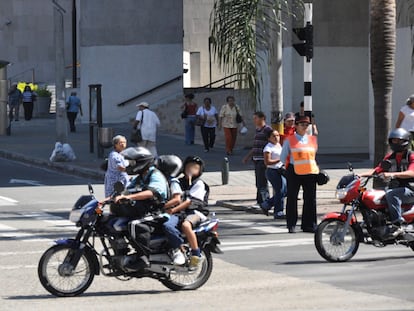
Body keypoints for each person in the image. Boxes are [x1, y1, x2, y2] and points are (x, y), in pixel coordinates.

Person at [114, 147, 169, 271]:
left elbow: (151, 193)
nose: (131, 165)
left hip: (157, 213)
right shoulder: (140, 177)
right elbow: (127, 190)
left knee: (134, 225)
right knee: (116, 222)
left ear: (142, 162)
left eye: (133, 162)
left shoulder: (155, 175)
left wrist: (129, 197)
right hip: (144, 212)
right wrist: (110, 198)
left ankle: (144, 258)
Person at [360, 128, 414, 238]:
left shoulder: (411, 156)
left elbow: (411, 173)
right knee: (373, 195)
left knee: (391, 194)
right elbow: (377, 170)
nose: (395, 143)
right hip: (397, 188)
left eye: (398, 141)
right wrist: (359, 175)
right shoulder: (390, 157)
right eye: (393, 141)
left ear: (405, 141)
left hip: (411, 189)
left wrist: (392, 174)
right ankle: (373, 223)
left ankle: (397, 224)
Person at [165, 156, 209, 268]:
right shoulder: (178, 182)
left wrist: (173, 210)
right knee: (166, 225)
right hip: (179, 213)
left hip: (195, 212)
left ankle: (196, 253)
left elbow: (189, 202)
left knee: (186, 225)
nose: (191, 170)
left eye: (195, 168)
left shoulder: (199, 183)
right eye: (188, 167)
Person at [280, 116, 319, 233]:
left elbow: (313, 156)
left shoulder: (312, 139)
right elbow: (283, 157)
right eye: (302, 124)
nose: (305, 127)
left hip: (310, 171)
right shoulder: (290, 140)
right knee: (292, 198)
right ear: (296, 126)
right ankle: (291, 224)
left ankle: (309, 225)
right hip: (294, 171)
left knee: (310, 199)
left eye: (307, 125)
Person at [242, 111, 273, 207]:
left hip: (263, 158)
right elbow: (255, 146)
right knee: (258, 181)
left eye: (256, 118)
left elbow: (272, 143)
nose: (254, 120)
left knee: (262, 181)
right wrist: (248, 156)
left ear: (262, 118)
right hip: (256, 158)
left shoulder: (267, 130)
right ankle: (260, 200)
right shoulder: (258, 130)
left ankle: (264, 201)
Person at [260, 130, 287, 219]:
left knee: (286, 190)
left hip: (280, 170)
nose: (276, 138)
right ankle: (278, 211)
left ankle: (267, 204)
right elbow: (267, 162)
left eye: (277, 136)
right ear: (269, 138)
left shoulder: (278, 145)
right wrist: (280, 159)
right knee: (279, 191)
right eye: (273, 136)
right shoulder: (268, 147)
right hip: (272, 171)